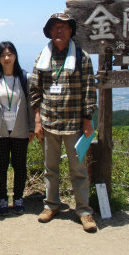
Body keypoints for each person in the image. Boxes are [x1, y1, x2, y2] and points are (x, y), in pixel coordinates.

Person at [29, 12, 98, 232]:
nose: (60, 31)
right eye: (56, 27)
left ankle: (84, 211)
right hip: (49, 124)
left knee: (78, 170)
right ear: (49, 31)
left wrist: (88, 119)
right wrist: (38, 120)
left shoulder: (82, 56)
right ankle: (51, 205)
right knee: (50, 168)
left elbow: (89, 89)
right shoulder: (43, 56)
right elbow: (35, 90)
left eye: (65, 27)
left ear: (71, 32)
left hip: (75, 125)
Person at [0, 41, 34, 216]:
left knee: (20, 166)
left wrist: (32, 127)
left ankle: (18, 199)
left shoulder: (25, 78)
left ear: (15, 56)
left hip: (20, 129)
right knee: (1, 167)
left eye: (10, 54)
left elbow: (31, 105)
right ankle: (3, 200)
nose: (6, 58)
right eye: (3, 55)